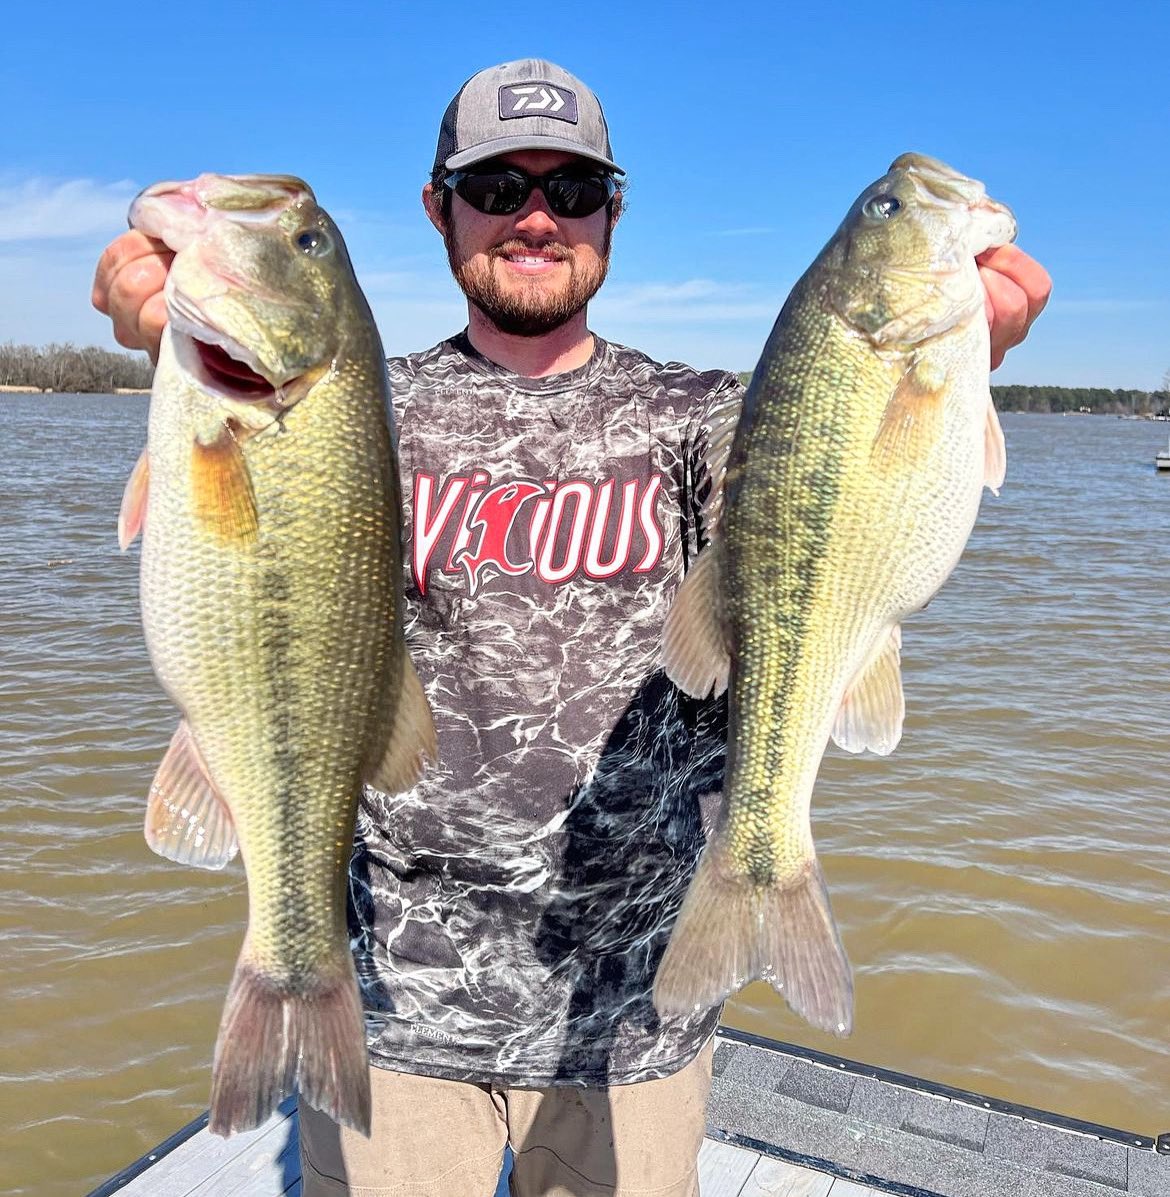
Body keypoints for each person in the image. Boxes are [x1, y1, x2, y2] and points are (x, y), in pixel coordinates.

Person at [93, 58, 1051, 1197]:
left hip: (636, 1019)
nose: (536, 216)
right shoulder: (353, 405)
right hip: (393, 1010)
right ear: (438, 209)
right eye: (496, 187)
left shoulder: (698, 417)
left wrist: (949, 358)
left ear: (615, 210)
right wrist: (159, 323)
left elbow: (822, 492)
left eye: (574, 189)